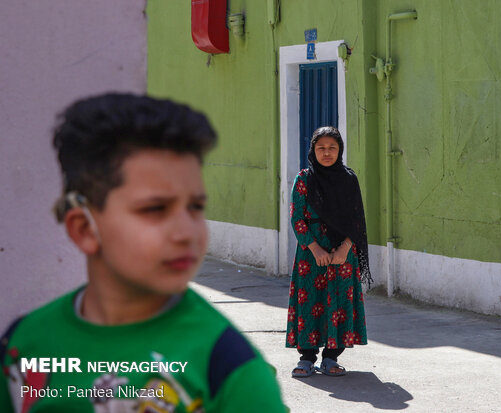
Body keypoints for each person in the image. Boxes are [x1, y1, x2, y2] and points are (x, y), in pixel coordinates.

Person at [0, 93, 287, 412]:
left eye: (195, 207)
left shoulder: (228, 370)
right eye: (155, 209)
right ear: (84, 228)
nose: (187, 232)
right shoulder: (23, 345)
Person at [286, 126, 372, 378]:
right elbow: (297, 218)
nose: (326, 153)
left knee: (339, 301)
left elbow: (357, 219)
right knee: (310, 299)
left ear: (340, 150)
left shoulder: (348, 179)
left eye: (332, 148)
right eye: (321, 148)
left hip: (342, 253)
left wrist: (345, 248)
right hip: (311, 254)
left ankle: (331, 358)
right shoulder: (304, 179)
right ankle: (306, 358)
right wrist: (315, 248)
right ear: (313, 150)